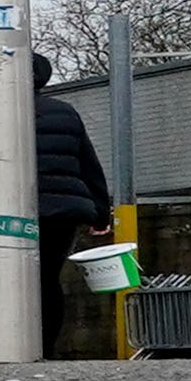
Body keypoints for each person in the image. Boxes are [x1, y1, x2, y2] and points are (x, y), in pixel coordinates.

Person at [36, 76, 115, 355]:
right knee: (47, 277)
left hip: (13, 209)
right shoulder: (65, 112)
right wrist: (101, 215)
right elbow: (89, 163)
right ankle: (45, 348)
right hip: (63, 211)